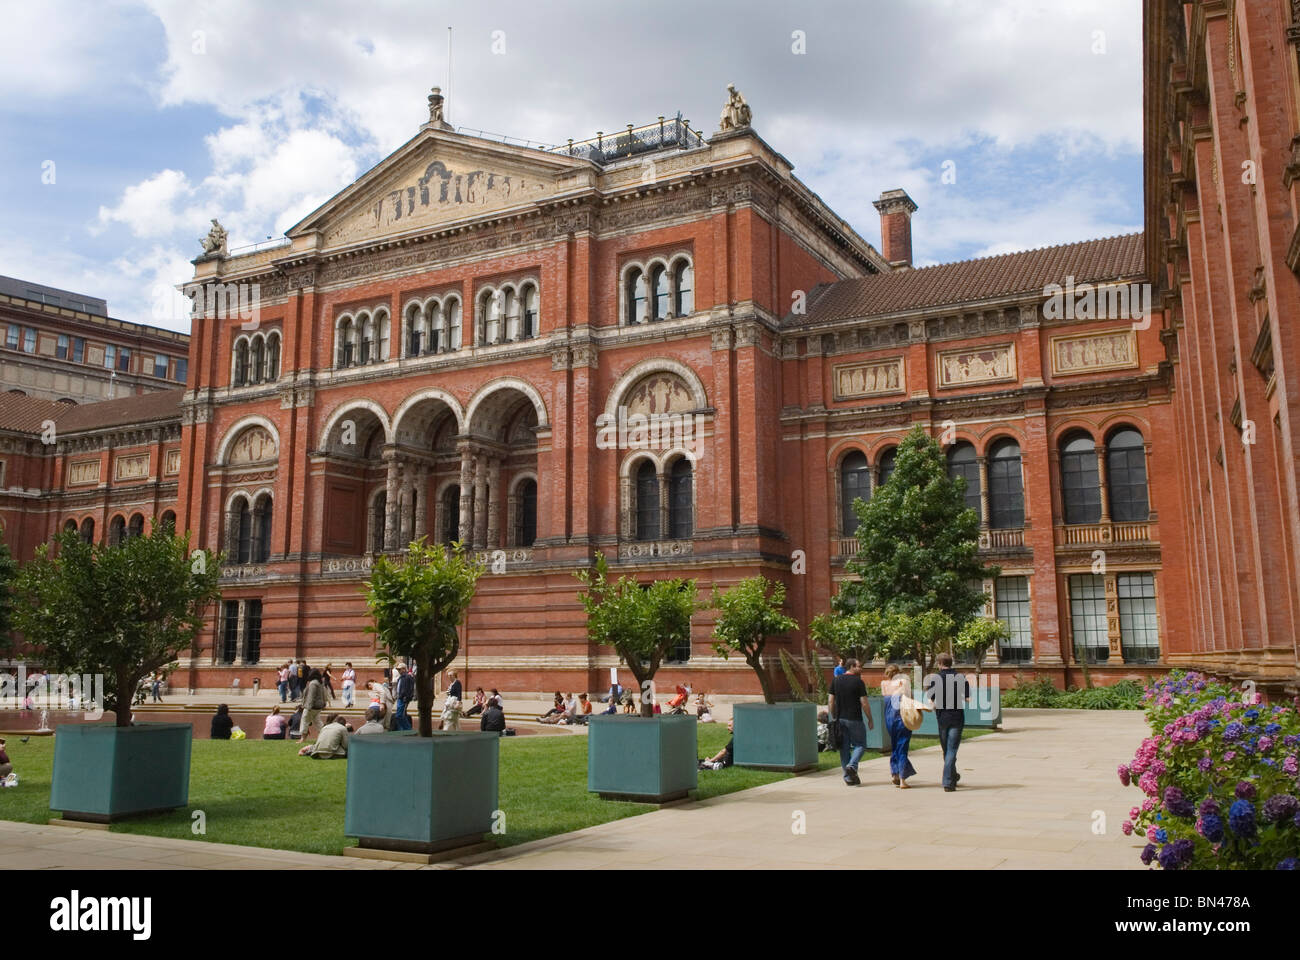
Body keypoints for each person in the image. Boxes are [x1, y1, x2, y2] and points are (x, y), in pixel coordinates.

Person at [929, 652, 971, 792]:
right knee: (951, 750)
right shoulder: (960, 677)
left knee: (947, 750)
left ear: (939, 664)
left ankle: (948, 781)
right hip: (956, 716)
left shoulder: (935, 678)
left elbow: (932, 701)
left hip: (942, 718)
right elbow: (968, 699)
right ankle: (952, 777)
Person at [828, 658, 873, 786]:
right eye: (859, 666)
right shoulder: (858, 682)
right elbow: (864, 702)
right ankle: (852, 766)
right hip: (855, 719)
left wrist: (834, 716)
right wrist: (870, 718)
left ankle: (848, 777)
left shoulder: (836, 681)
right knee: (861, 745)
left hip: (840, 719)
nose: (861, 668)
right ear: (852, 667)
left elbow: (831, 701)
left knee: (844, 748)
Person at [881, 664, 918, 788]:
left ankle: (895, 774)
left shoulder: (884, 685)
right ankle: (902, 779)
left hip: (889, 720)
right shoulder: (904, 684)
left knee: (895, 747)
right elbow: (911, 700)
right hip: (902, 719)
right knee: (902, 748)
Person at [301, 669, 328, 739]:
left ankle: (303, 737)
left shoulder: (313, 683)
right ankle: (325, 735)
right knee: (317, 721)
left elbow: (311, 696)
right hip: (319, 706)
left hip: (312, 706)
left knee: (305, 720)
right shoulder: (320, 683)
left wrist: (308, 707)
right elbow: (324, 694)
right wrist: (324, 703)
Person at [392, 664, 415, 731]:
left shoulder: (408, 677)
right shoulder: (401, 678)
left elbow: (410, 688)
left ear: (404, 669)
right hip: (400, 698)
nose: (399, 671)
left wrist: (407, 697)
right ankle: (403, 729)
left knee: (399, 715)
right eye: (398, 670)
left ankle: (407, 728)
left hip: (403, 698)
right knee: (401, 715)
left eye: (400, 669)